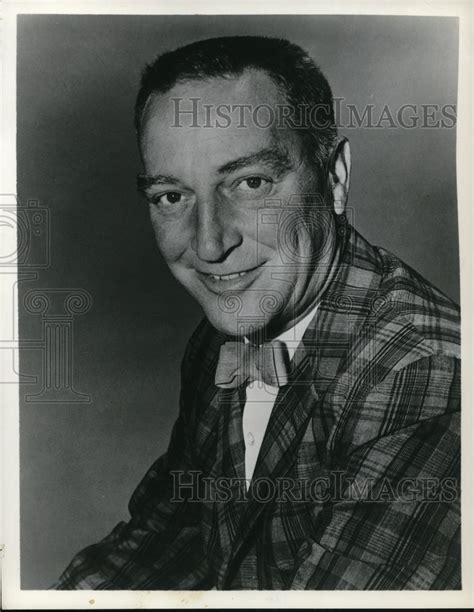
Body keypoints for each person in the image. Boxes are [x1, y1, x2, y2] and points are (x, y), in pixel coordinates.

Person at [55, 36, 460, 590]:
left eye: (250, 183)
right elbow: (161, 543)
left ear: (335, 178)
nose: (209, 243)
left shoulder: (426, 375)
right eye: (172, 196)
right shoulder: (222, 338)